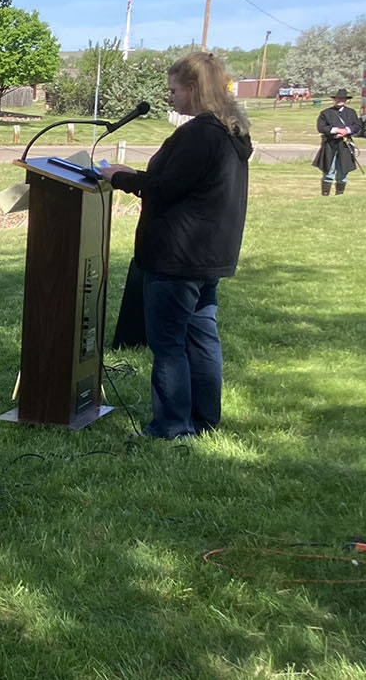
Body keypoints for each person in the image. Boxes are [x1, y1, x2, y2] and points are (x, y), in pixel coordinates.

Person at [100, 51, 253, 440]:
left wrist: (120, 176)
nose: (170, 97)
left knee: (168, 342)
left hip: (177, 256)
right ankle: (203, 420)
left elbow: (165, 188)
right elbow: (186, 185)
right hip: (208, 256)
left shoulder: (200, 133)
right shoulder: (231, 132)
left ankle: (171, 427)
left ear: (192, 88)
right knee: (201, 336)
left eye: (173, 90)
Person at [314, 88, 361, 196]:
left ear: (345, 100)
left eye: (343, 98)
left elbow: (357, 126)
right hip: (330, 145)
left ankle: (340, 195)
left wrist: (346, 131)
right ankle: (325, 195)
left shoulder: (351, 113)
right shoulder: (326, 113)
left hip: (345, 146)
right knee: (328, 171)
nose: (340, 100)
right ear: (335, 99)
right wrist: (336, 130)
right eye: (338, 98)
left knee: (343, 171)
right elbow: (321, 127)